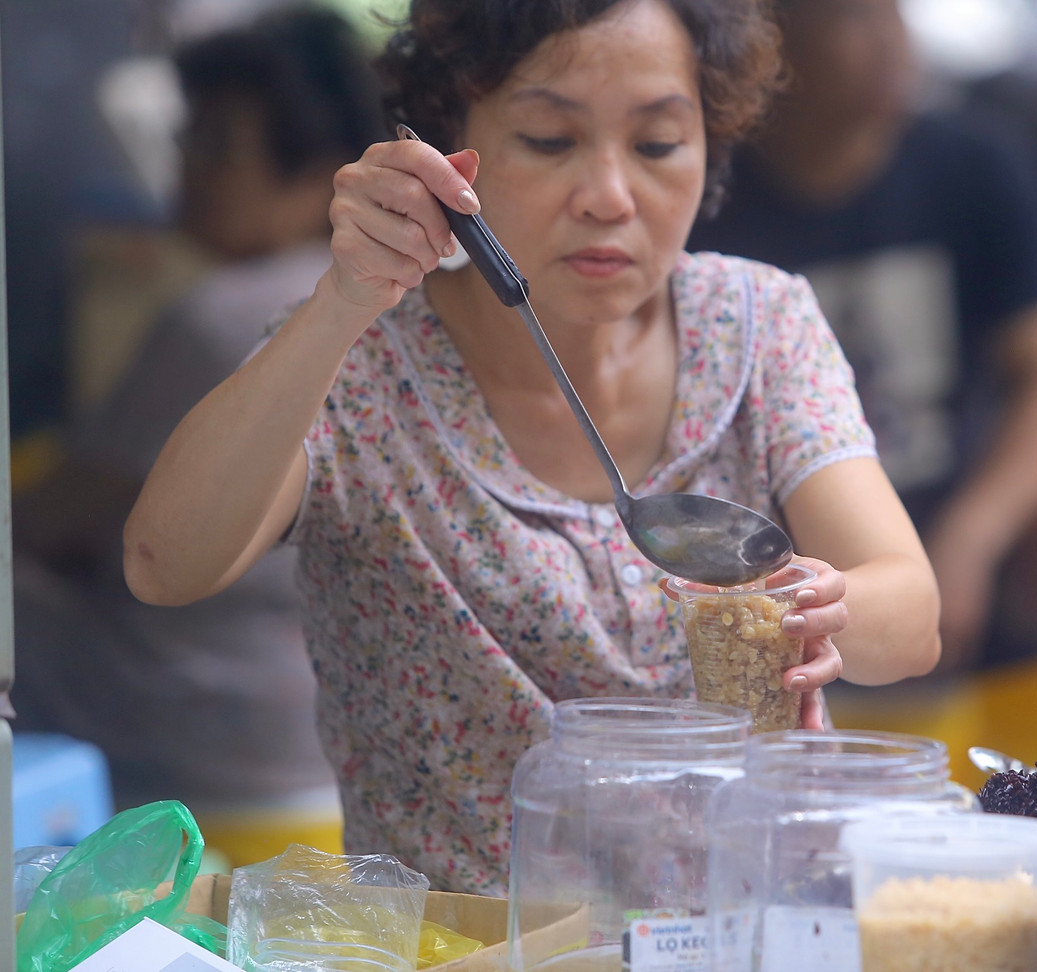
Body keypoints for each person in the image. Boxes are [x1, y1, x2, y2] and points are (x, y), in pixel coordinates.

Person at [122, 0, 942, 894]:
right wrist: (342, 302)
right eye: (551, 140)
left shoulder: (760, 324)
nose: (609, 195)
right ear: (448, 158)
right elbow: (165, 564)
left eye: (659, 144)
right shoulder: (355, 361)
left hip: (727, 932)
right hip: (455, 948)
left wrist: (829, 610)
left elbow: (909, 621)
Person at [11, 8, 384, 848]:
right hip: (327, 749)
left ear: (321, 176)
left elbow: (51, 523)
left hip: (205, 746)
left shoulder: (223, 317)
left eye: (216, 144)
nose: (184, 166)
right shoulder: (416, 304)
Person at [689, 0, 1037, 672]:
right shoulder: (706, 190)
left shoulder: (977, 161)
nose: (890, 41)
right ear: (768, 37)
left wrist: (973, 535)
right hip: (784, 539)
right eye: (854, 18)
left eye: (894, 13)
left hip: (964, 514)